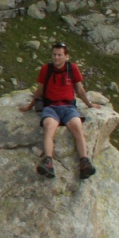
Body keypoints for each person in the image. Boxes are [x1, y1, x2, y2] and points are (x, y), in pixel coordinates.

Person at [19, 42, 98, 179]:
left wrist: (89, 104)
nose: (56, 58)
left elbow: (79, 89)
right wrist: (30, 106)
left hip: (68, 107)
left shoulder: (72, 68)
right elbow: (40, 90)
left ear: (66, 56)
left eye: (59, 55)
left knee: (77, 127)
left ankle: (84, 162)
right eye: (54, 55)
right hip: (51, 107)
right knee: (49, 127)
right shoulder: (46, 69)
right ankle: (48, 162)